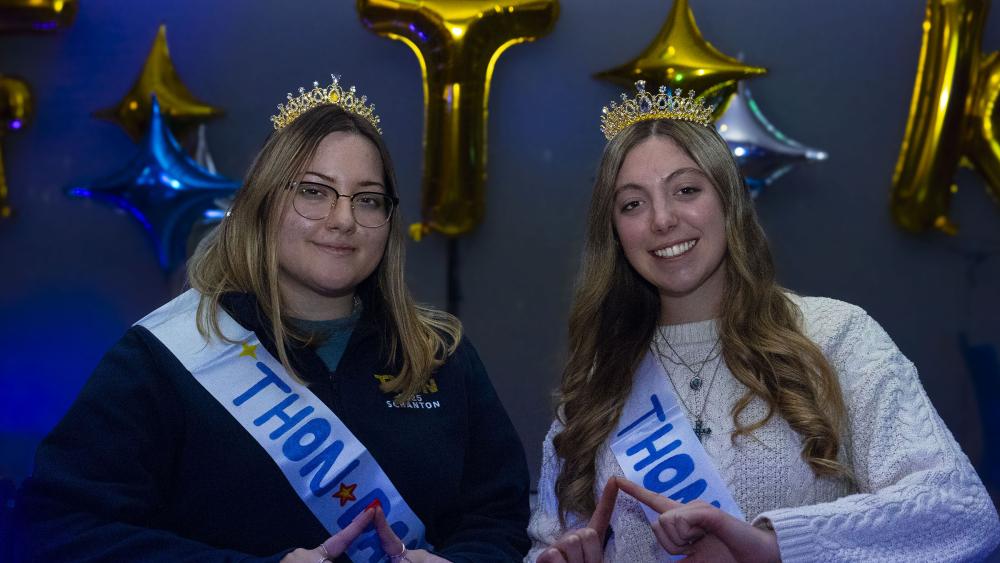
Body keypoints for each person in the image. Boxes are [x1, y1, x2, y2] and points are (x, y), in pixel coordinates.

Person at [14, 75, 530, 563]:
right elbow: (58, 526)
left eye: (368, 200)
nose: (343, 220)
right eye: (313, 191)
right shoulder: (167, 356)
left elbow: (498, 518)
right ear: (263, 204)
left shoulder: (439, 355)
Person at [526, 82, 1000, 562]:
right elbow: (546, 543)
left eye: (686, 190)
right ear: (614, 232)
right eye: (633, 204)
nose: (662, 219)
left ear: (729, 200)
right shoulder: (600, 379)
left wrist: (775, 544)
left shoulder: (834, 336)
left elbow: (959, 511)